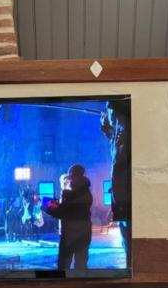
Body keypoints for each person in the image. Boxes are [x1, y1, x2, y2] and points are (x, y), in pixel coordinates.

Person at [44, 164, 93, 271]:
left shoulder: (74, 194)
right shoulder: (84, 192)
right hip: (83, 233)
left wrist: (45, 203)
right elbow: (65, 208)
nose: (68, 180)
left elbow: (63, 210)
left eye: (70, 177)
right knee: (81, 265)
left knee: (64, 266)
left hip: (70, 234)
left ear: (74, 176)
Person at [100, 99, 132, 254]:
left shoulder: (125, 131)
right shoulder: (118, 133)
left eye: (109, 112)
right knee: (126, 238)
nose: (108, 115)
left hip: (126, 201)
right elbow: (111, 134)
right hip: (121, 201)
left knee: (130, 241)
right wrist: (105, 125)